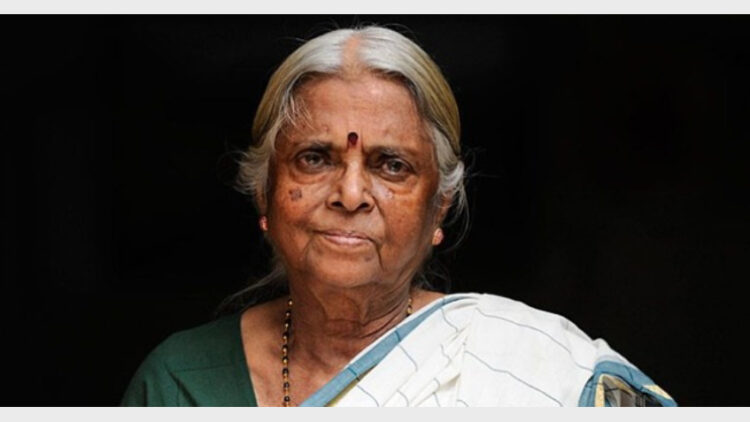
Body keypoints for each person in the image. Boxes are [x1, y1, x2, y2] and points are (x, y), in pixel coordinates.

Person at [121, 25, 676, 407]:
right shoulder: (181, 383)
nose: (351, 194)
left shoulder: (531, 366)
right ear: (265, 194)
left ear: (440, 206)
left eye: (391, 166)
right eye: (315, 158)